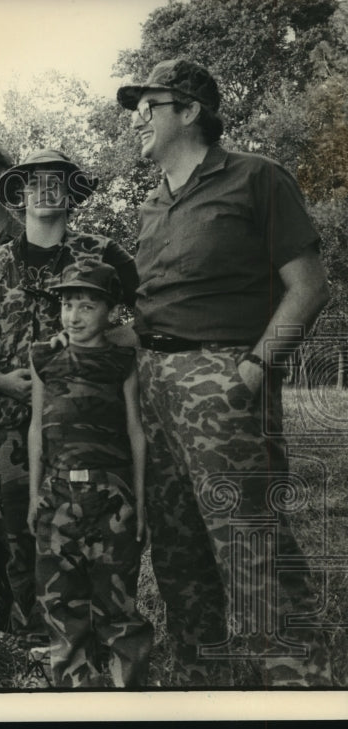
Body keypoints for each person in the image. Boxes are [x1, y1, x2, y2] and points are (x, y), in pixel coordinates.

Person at [117, 58, 331, 686]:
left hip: (225, 384)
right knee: (178, 551)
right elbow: (154, 306)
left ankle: (298, 681)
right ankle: (201, 679)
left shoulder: (257, 178)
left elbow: (309, 287)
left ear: (189, 111)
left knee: (249, 541)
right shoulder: (152, 205)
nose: (139, 119)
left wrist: (254, 370)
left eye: (149, 105)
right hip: (154, 385)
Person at [0, 149, 137, 645]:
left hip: (92, 418)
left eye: (57, 180)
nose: (45, 189)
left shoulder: (102, 253)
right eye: (34, 181)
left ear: (71, 191)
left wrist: (99, 347)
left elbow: (152, 314)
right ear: (19, 193)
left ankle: (102, 631)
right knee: (22, 528)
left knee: (102, 528)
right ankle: (38, 636)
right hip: (15, 421)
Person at [26, 261, 152, 687]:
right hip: (57, 494)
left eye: (87, 306)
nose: (74, 316)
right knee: (60, 603)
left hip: (110, 497)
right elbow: (36, 430)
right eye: (67, 305)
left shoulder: (122, 360)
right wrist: (33, 495)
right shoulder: (44, 357)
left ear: (110, 311)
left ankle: (128, 695)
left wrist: (140, 501)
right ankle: (74, 690)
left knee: (116, 601)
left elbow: (136, 431)